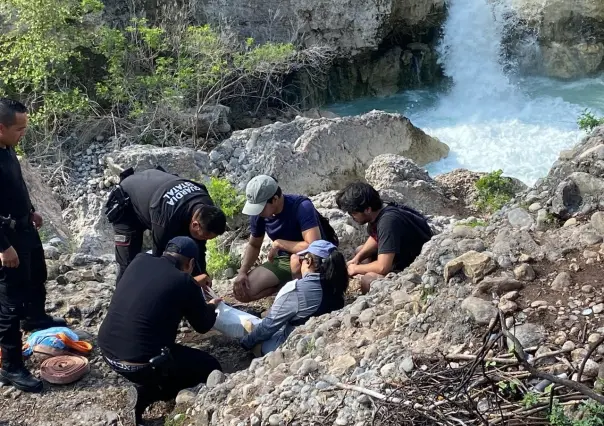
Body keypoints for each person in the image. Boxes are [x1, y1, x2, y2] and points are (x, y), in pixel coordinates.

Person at [97, 236, 222, 424]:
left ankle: (145, 384)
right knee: (211, 367)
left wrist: (193, 285)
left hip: (107, 351)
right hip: (139, 364)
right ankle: (146, 394)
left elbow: (160, 285)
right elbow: (203, 326)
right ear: (191, 263)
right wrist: (211, 306)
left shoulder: (140, 260)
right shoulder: (184, 282)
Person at [0, 98, 66, 393]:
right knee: (9, 305)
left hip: (24, 226)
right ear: (0, 127)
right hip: (6, 237)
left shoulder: (7, 147)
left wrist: (31, 210)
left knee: (38, 273)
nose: (23, 133)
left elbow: (15, 186)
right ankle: (11, 367)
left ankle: (35, 317)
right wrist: (3, 247)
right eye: (19, 129)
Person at [104, 167, 227, 285]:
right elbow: (160, 263)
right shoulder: (165, 220)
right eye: (204, 236)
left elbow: (198, 249)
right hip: (128, 203)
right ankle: (123, 299)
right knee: (128, 265)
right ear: (195, 225)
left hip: (154, 192)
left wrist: (202, 276)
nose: (204, 240)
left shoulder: (206, 206)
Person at [233, 175, 338, 303]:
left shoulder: (301, 207)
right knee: (242, 292)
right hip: (284, 259)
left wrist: (279, 243)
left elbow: (314, 246)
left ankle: (298, 298)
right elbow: (254, 245)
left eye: (260, 207)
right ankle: (285, 289)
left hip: (313, 258)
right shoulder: (259, 214)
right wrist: (242, 272)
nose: (257, 212)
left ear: (275, 199)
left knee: (295, 262)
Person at [240, 240, 348, 356]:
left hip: (291, 346)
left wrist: (245, 343)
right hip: (322, 338)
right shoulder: (337, 284)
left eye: (302, 259)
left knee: (255, 331)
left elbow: (268, 326)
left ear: (309, 262)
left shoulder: (297, 290)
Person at [335, 182, 432, 294]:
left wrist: (355, 269)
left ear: (367, 209)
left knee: (368, 280)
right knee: (360, 251)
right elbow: (377, 237)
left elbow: (382, 267)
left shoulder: (388, 221)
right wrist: (357, 259)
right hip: (401, 251)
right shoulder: (380, 211)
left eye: (353, 212)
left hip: (415, 264)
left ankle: (371, 302)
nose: (352, 216)